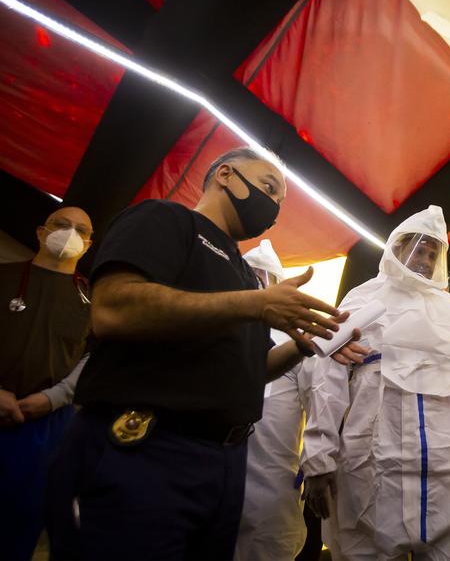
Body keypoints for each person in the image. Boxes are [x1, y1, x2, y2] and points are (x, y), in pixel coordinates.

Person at [44, 148, 367, 560]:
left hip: (222, 465)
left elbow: (253, 371)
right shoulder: (165, 220)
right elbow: (113, 309)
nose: (273, 208)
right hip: (144, 451)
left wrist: (302, 347)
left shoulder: (247, 277)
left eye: (280, 203)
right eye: (269, 188)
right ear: (226, 175)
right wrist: (256, 305)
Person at [302, 205, 450, 561]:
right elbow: (326, 382)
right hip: (372, 463)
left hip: (441, 467)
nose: (423, 259)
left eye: (430, 253)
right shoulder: (362, 299)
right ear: (395, 247)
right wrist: (318, 459)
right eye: (417, 249)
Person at [0, 206, 93, 561]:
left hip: (45, 424)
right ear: (41, 232)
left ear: (88, 244)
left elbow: (92, 356)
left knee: (22, 519)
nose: (70, 233)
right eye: (62, 225)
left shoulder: (91, 298)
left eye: (81, 231)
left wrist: (54, 397)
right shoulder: (5, 276)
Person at [236, 240, 309, 561]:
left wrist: (315, 463)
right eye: (249, 276)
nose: (257, 284)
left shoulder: (297, 342)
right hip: (218, 470)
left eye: (263, 277)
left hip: (274, 476)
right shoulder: (221, 333)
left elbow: (321, 408)